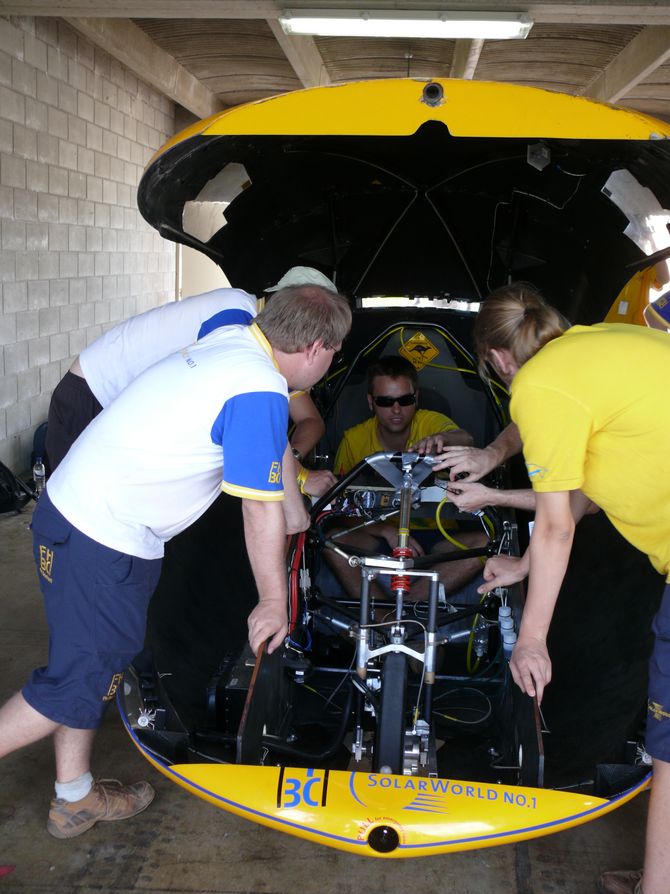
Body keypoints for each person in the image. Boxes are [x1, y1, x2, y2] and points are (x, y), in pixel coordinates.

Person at [0, 284, 351, 841]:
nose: (331, 364)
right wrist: (271, 599)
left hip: (85, 519)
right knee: (77, 681)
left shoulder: (237, 342)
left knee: (84, 667)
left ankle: (73, 797)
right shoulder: (257, 385)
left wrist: (295, 505)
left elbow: (273, 454)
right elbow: (256, 512)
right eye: (335, 354)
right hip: (100, 538)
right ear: (315, 347)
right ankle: (72, 794)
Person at [469, 281, 670, 894]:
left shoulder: (540, 386)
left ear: (499, 360)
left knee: (668, 743)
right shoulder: (595, 347)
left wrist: (531, 640)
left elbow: (557, 524)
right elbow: (579, 495)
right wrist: (524, 565)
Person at [45, 267, 336, 498]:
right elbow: (242, 409)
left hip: (120, 410)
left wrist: (291, 460)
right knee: (82, 521)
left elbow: (309, 418)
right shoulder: (236, 314)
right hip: (92, 395)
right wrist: (298, 476)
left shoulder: (268, 345)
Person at [328, 355, 486, 602]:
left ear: (416, 399)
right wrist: (387, 532)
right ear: (371, 402)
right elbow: (341, 510)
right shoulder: (354, 440)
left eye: (405, 400)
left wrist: (443, 441)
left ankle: (407, 612)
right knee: (331, 542)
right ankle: (382, 618)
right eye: (385, 401)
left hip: (435, 538)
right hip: (377, 538)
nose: (396, 409)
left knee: (484, 543)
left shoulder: (430, 423)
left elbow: (465, 439)